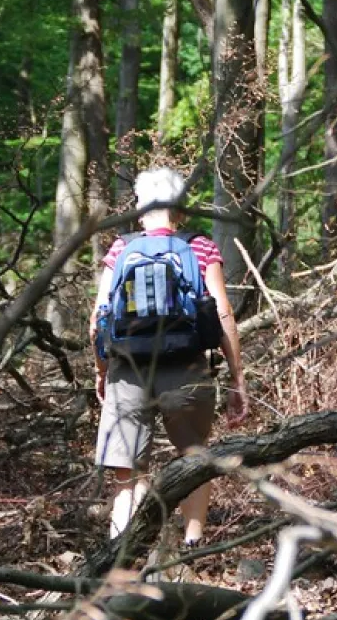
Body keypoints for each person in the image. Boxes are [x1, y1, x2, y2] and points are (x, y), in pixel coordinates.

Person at [89, 167, 248, 545]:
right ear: (181, 210)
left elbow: (98, 319)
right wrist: (237, 377)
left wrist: (101, 370)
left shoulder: (121, 249)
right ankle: (191, 546)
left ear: (141, 209)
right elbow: (222, 312)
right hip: (187, 367)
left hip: (128, 370)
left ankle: (123, 553)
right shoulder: (201, 246)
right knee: (195, 460)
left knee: (128, 472)